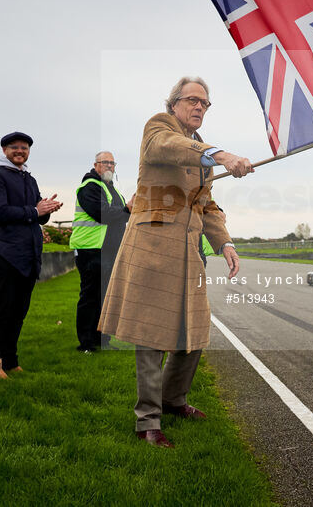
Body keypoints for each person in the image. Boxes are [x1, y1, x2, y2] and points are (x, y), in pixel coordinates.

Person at [98, 76, 252, 448]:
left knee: (193, 332)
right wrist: (222, 155)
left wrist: (224, 243)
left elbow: (207, 205)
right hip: (152, 246)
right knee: (151, 336)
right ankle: (147, 420)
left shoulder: (200, 151)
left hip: (188, 252)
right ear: (174, 104)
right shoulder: (159, 127)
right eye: (193, 101)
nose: (199, 107)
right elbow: (166, 147)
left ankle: (173, 399)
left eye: (205, 103)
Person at [0, 131, 62, 379]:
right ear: (4, 150)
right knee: (1, 310)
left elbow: (37, 214)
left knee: (18, 312)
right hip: (3, 253)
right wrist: (35, 210)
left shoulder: (29, 178)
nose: (20, 151)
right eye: (14, 147)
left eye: (24, 148)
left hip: (27, 255)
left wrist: (46, 210)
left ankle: (11, 359)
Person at [70, 151, 132, 352]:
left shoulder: (112, 189)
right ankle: (86, 343)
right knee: (90, 296)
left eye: (112, 163)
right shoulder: (89, 186)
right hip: (91, 250)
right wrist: (128, 210)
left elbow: (121, 217)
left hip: (110, 250)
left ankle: (101, 339)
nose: (109, 166)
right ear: (95, 165)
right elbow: (102, 213)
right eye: (105, 162)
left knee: (105, 296)